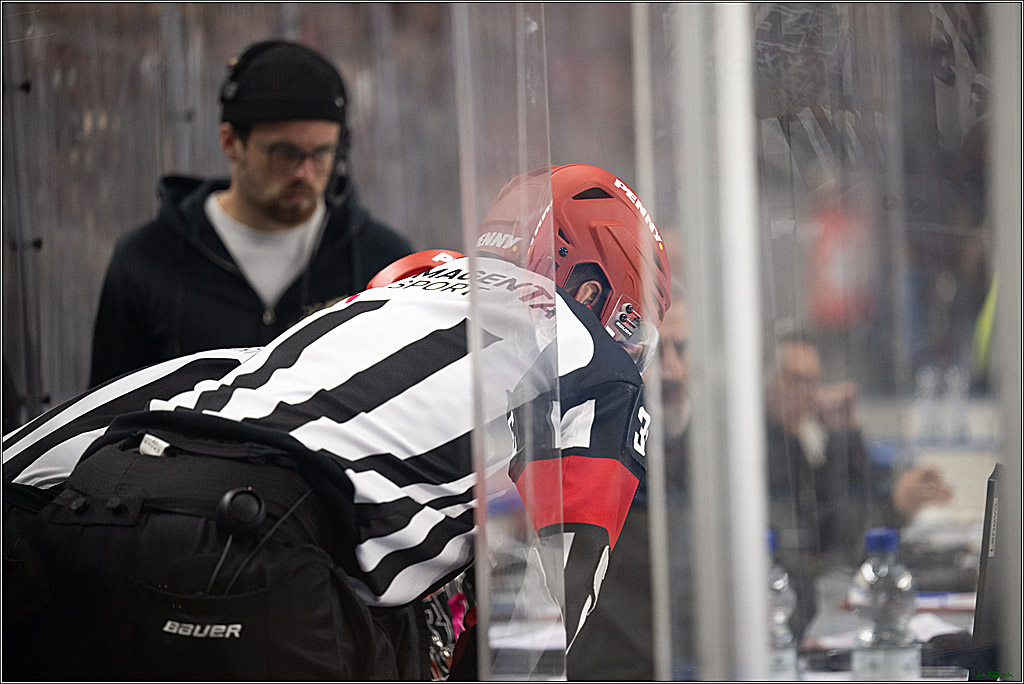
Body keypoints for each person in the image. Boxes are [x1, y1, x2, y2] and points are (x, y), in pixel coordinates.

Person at [3, 163, 672, 680]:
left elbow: (192, 388)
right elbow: (546, 603)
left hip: (86, 517)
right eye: (637, 321)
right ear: (591, 288)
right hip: (256, 546)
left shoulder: (383, 302)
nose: (636, 348)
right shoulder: (594, 357)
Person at [88, 39, 413, 388]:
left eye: (322, 153)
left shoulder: (382, 262)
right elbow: (106, 417)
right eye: (285, 153)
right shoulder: (147, 261)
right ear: (230, 143)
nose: (304, 173)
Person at [763, 331, 953, 640]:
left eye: (814, 382)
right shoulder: (769, 453)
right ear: (769, 386)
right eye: (798, 381)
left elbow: (851, 497)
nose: (811, 394)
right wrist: (894, 504)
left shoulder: (794, 444)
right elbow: (835, 538)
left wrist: (846, 433)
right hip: (794, 623)